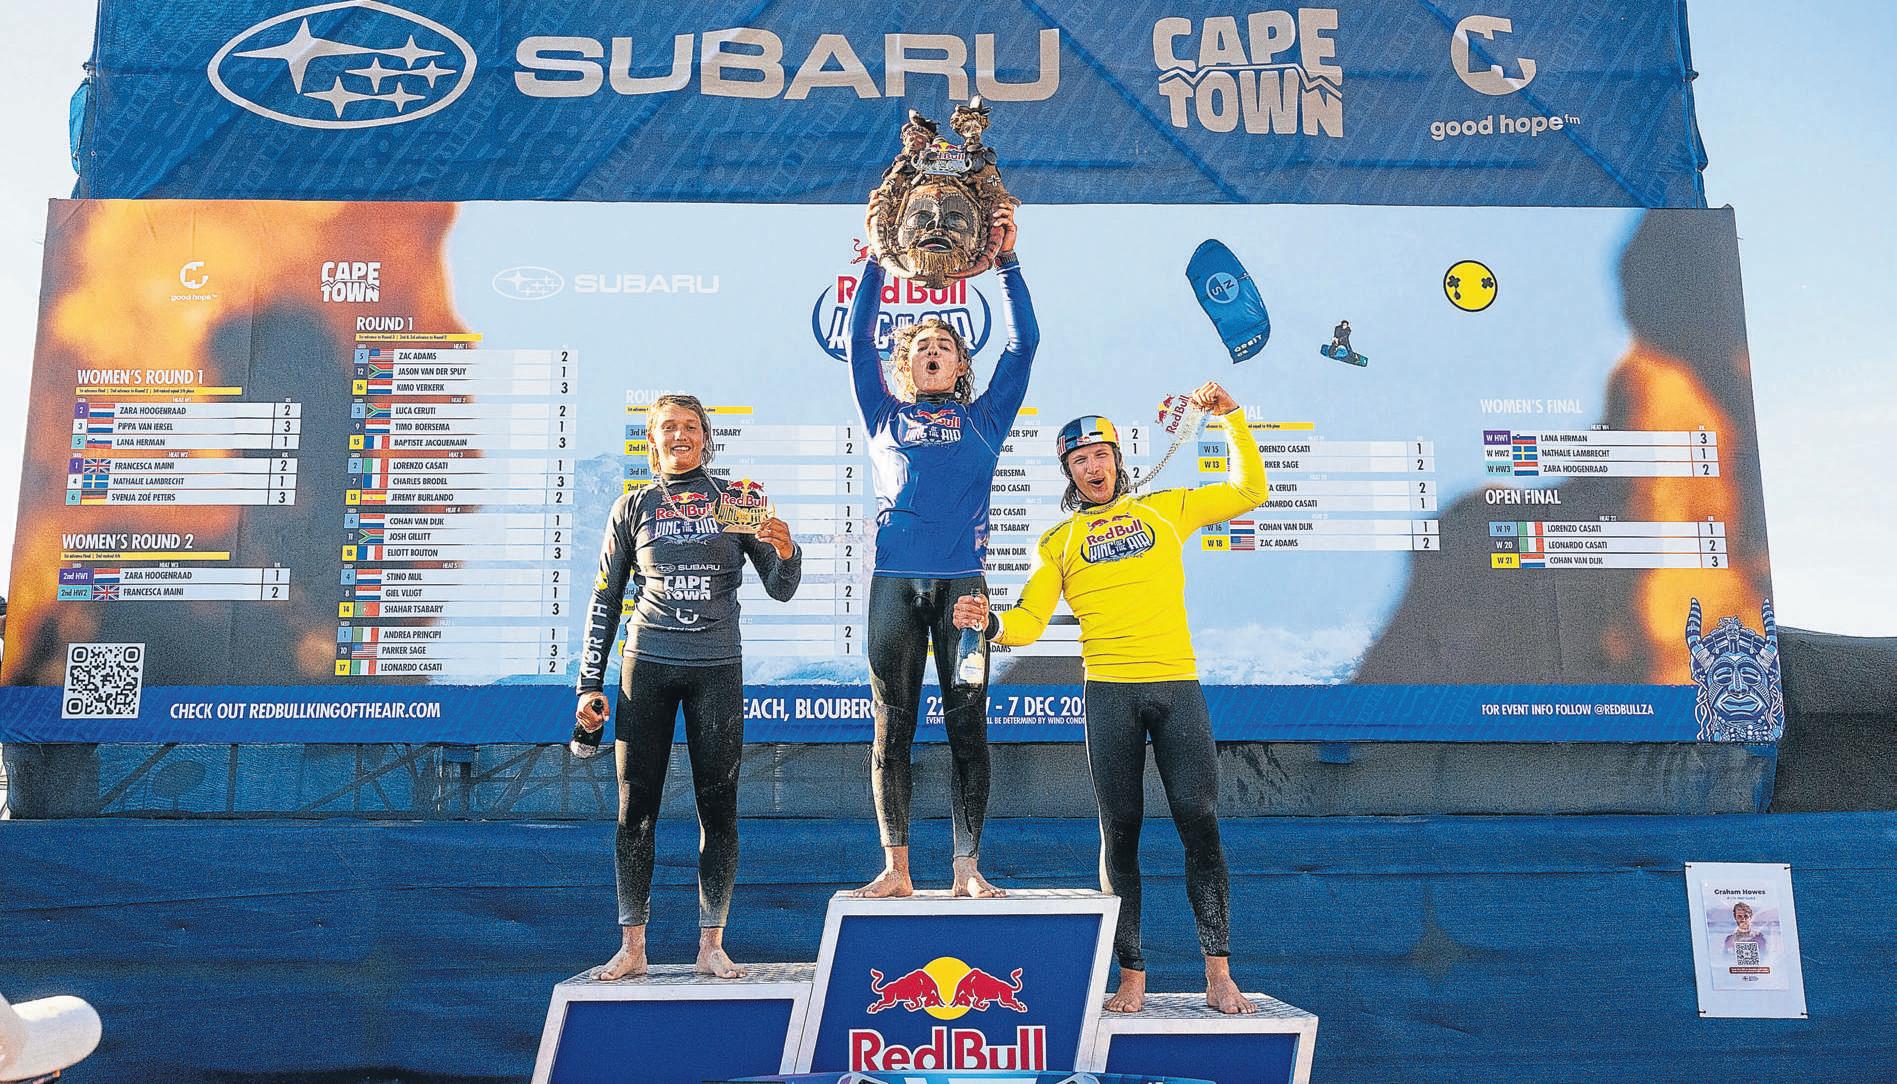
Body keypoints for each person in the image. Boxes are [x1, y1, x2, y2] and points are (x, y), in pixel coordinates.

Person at [954, 381, 1267, 1014]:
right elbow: (1028, 623)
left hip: (1176, 687)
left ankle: (1218, 973)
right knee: (1120, 832)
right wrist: (989, 624)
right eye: (1080, 460)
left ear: (1118, 460)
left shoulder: (1166, 509)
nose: (1093, 467)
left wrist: (1231, 418)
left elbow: (1248, 491)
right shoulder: (1059, 541)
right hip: (1109, 695)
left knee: (1199, 822)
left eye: (1100, 455)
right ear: (1068, 473)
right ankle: (1132, 975)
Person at [573, 394, 804, 980]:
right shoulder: (633, 506)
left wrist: (787, 550)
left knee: (718, 807)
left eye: (692, 427)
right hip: (646, 665)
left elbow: (781, 588)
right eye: (669, 427)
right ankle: (632, 947)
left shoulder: (735, 501)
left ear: (706, 437)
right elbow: (605, 598)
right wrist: (588, 685)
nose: (681, 436)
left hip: (716, 668)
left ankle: (711, 945)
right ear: (652, 440)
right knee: (635, 810)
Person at [848, 201, 1035, 899]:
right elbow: (857, 341)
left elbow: (1023, 346)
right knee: (890, 729)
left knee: (967, 729)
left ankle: (966, 868)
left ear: (959, 366)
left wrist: (1007, 263)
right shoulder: (882, 414)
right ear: (905, 365)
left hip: (963, 592)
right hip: (894, 588)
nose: (932, 352)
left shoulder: (986, 417)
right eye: (921, 346)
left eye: (945, 347)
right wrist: (875, 257)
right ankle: (896, 869)